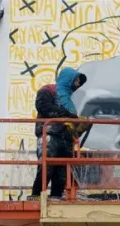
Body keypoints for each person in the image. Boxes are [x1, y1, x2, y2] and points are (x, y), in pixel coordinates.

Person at [31, 67, 87, 199]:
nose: (78, 84)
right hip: (49, 134)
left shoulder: (70, 101)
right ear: (69, 78)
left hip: (66, 138)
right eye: (77, 80)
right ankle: (35, 196)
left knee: (62, 173)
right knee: (46, 168)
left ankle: (55, 197)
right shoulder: (47, 90)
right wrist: (66, 115)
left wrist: (81, 125)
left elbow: (72, 123)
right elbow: (43, 107)